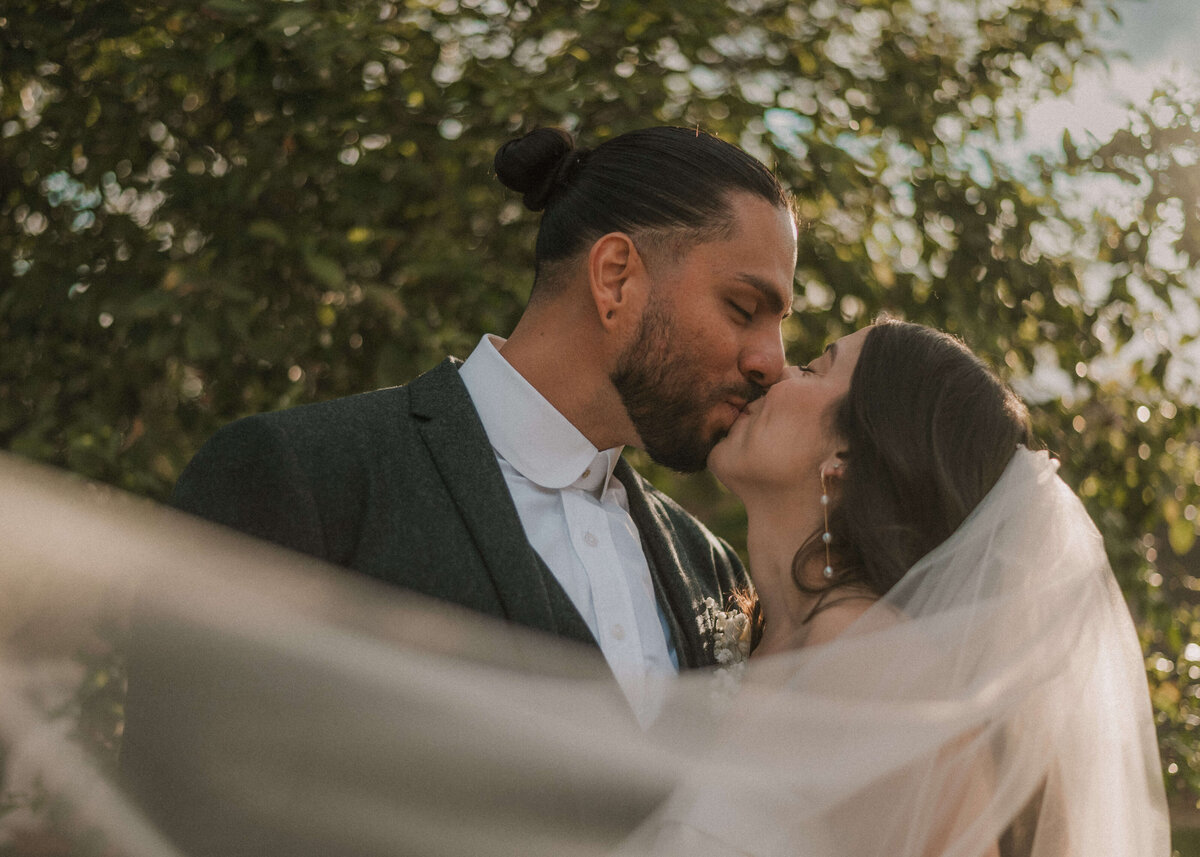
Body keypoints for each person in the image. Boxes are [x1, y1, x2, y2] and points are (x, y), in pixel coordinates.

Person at [117, 125, 798, 850]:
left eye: (781, 323)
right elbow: (179, 817)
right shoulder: (304, 476)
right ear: (616, 276)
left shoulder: (713, 568)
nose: (773, 362)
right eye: (742, 307)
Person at [622, 317, 1170, 856]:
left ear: (848, 455)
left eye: (813, 370)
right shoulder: (749, 631)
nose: (779, 372)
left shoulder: (871, 668)